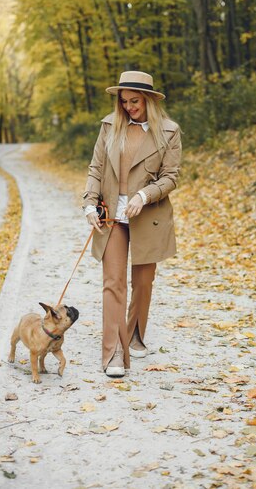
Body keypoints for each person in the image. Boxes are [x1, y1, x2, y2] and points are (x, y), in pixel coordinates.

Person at [82, 71, 182, 377]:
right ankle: (113, 353)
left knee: (142, 282)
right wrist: (89, 201)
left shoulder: (169, 131)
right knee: (112, 283)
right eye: (124, 101)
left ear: (149, 99)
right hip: (111, 215)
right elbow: (96, 166)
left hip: (148, 216)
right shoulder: (109, 126)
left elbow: (171, 177)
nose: (128, 107)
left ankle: (135, 333)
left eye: (134, 101)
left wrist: (144, 194)